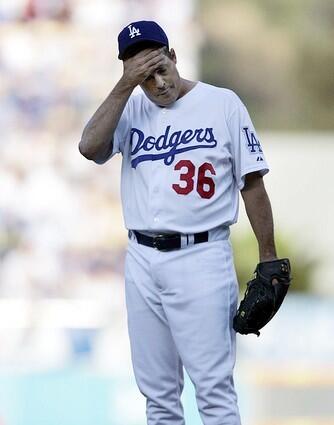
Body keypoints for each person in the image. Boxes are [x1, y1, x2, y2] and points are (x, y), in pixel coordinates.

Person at [79, 20, 278, 425]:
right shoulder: (129, 106)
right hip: (141, 259)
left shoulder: (222, 104)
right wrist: (124, 86)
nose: (157, 84)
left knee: (214, 390)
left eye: (160, 70)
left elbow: (252, 184)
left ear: (174, 57)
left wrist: (269, 257)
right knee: (158, 396)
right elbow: (89, 148)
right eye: (144, 77)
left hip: (201, 256)